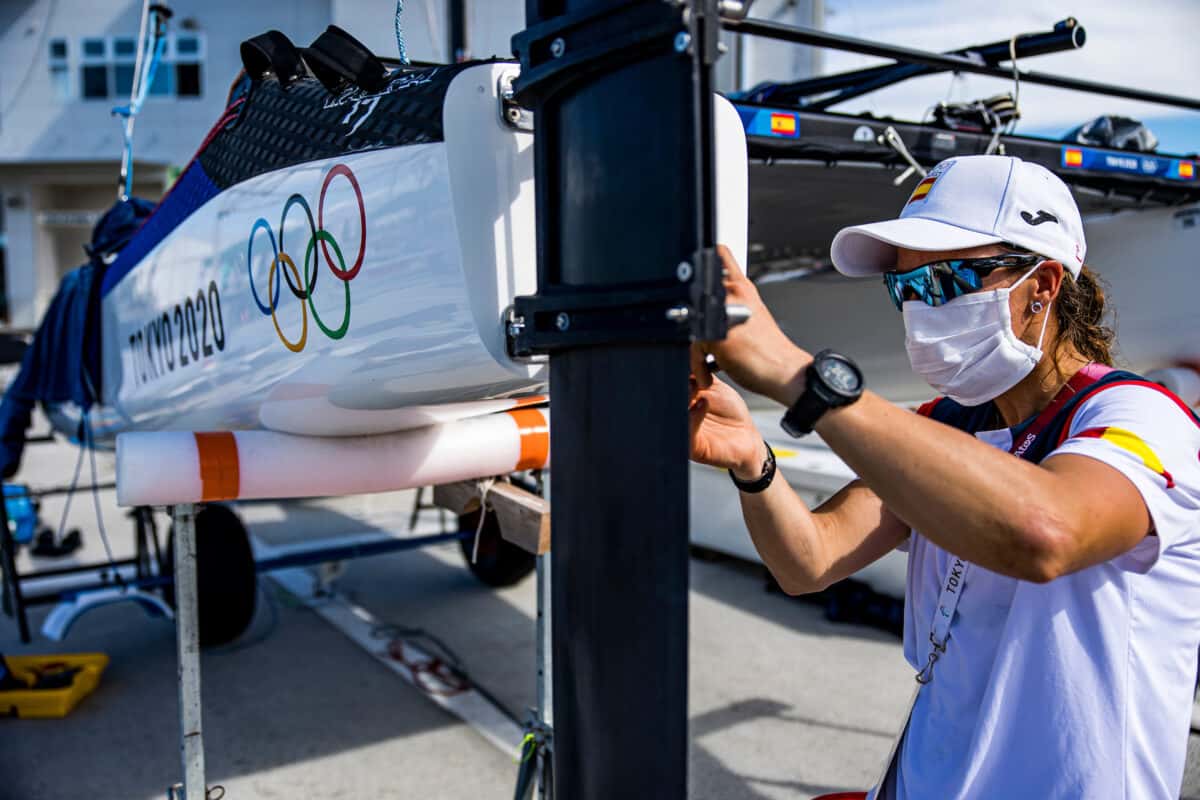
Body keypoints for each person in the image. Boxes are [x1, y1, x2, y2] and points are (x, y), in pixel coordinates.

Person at [689, 154, 1200, 799]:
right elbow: (810, 560)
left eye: (944, 280)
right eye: (903, 288)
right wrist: (751, 461)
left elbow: (1047, 534)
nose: (919, 309)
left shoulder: (1140, 417)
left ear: (1042, 286)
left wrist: (800, 378)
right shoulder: (950, 422)